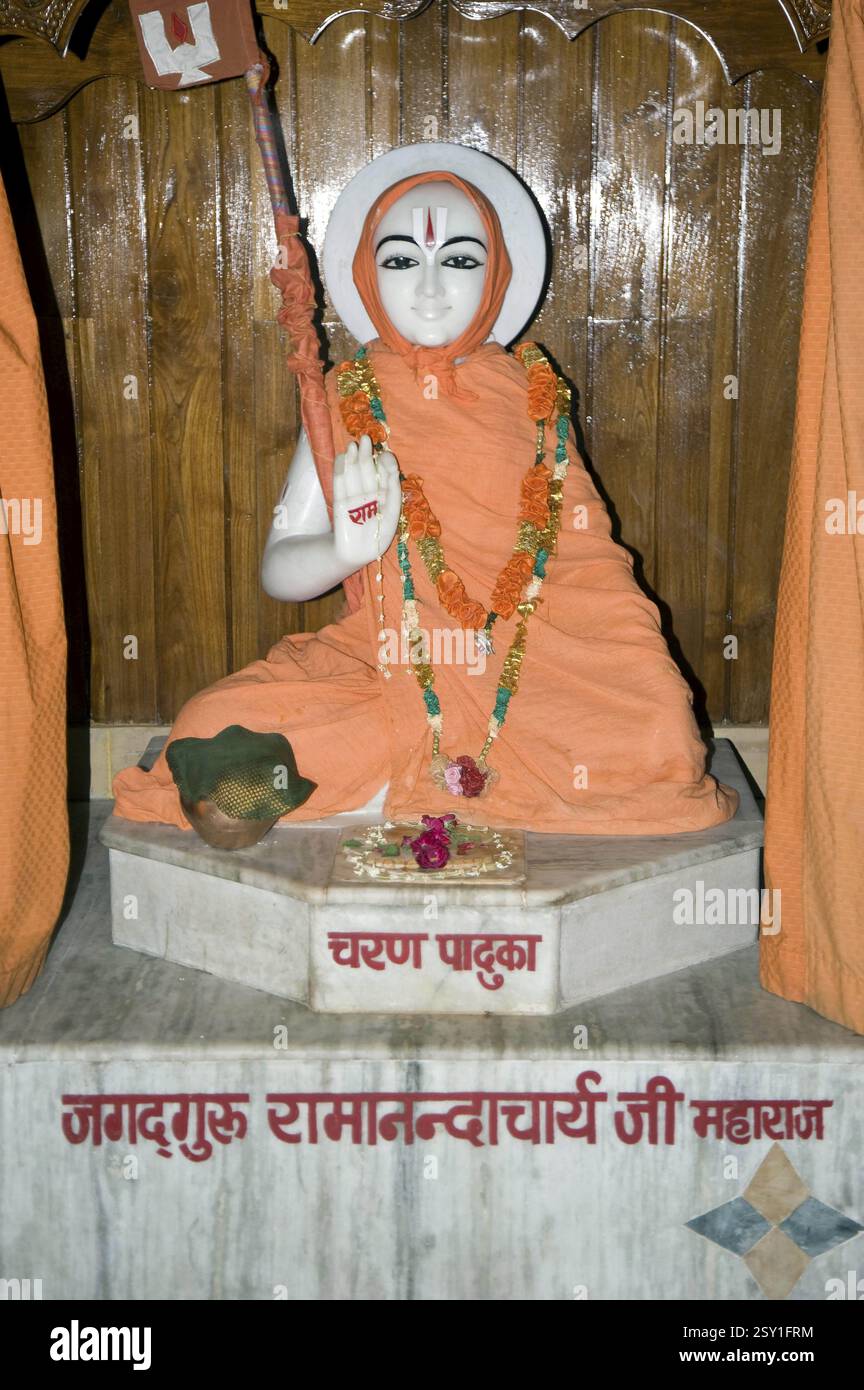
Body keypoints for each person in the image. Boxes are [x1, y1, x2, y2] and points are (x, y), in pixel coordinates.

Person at [113, 143, 737, 839]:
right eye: (403, 261)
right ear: (367, 276)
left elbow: (586, 563)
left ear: (498, 273)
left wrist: (631, 673)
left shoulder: (533, 393)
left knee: (659, 740)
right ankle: (417, 771)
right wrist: (348, 546)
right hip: (389, 657)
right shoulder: (347, 396)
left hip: (537, 663)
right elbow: (280, 570)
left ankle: (394, 778)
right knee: (206, 727)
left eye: (461, 260)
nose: (432, 289)